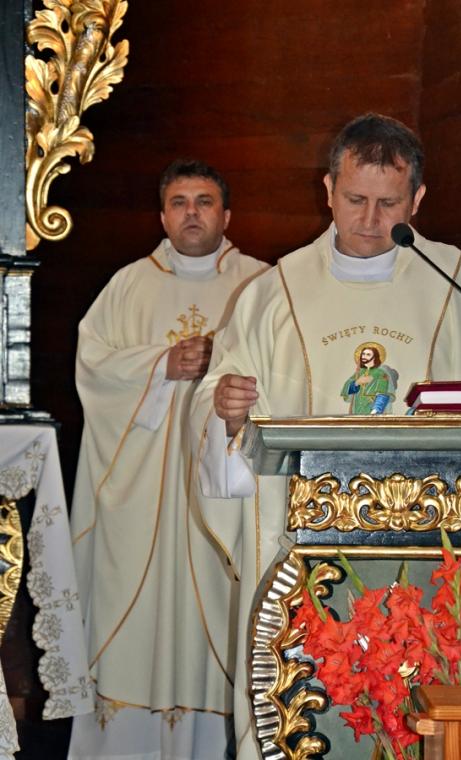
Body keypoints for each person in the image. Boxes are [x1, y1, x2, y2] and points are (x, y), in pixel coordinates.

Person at [189, 113, 461, 758]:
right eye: (355, 199)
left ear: (418, 199)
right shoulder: (273, 294)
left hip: (435, 545)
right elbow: (218, 401)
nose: (368, 219)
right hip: (304, 550)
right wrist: (225, 411)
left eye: (388, 203)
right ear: (328, 190)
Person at [68, 159, 268, 760]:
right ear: (162, 216)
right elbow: (92, 367)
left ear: (226, 215)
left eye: (204, 201)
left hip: (221, 501)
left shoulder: (261, 286)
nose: (191, 213)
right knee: (136, 617)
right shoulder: (128, 285)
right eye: (179, 203)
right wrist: (161, 366)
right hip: (143, 507)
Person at [341, 342, 398, 414]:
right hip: (357, 407)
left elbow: (383, 393)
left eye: (368, 354)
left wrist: (376, 409)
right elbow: (347, 389)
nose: (364, 356)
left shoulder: (380, 373)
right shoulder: (360, 372)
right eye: (363, 354)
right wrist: (357, 382)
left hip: (372, 406)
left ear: (375, 357)